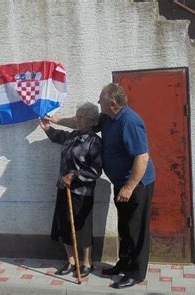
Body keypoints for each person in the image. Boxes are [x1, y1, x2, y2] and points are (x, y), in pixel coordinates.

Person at [47, 82, 155, 288]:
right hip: (121, 182)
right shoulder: (108, 118)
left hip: (137, 183)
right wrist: (57, 120)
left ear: (112, 103)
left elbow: (142, 157)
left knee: (136, 229)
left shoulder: (130, 121)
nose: (98, 102)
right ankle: (124, 263)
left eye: (101, 99)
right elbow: (81, 122)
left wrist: (130, 187)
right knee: (124, 226)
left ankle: (136, 273)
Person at [39, 102, 103, 278]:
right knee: (65, 226)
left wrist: (74, 176)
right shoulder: (73, 136)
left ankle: (87, 263)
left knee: (82, 228)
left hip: (81, 192)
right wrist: (47, 128)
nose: (77, 119)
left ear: (91, 121)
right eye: (77, 115)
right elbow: (58, 136)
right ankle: (71, 261)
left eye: (80, 117)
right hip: (64, 188)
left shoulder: (94, 142)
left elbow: (96, 171)